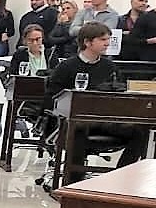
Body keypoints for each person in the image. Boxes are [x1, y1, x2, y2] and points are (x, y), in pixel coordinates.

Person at [44, 22, 148, 175]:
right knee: (78, 128)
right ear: (87, 42)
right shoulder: (66, 67)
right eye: (102, 39)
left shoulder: (110, 67)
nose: (107, 43)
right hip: (74, 119)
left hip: (104, 119)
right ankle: (74, 178)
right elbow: (52, 97)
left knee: (140, 130)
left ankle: (121, 174)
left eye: (108, 39)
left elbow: (120, 93)